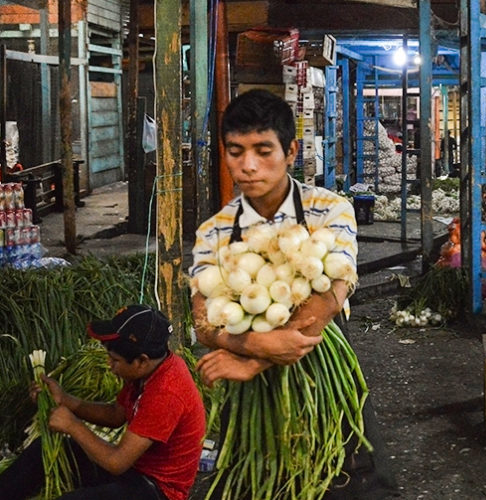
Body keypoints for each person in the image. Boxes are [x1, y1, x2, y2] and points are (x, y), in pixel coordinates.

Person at [189, 89, 395, 498]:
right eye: (236, 151)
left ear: (290, 151)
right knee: (259, 481)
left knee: (347, 481)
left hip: (322, 364)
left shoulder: (329, 208)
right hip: (248, 379)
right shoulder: (214, 230)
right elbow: (202, 322)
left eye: (263, 150)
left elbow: (328, 298)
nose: (247, 166)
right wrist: (258, 345)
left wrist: (253, 361)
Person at [0, 305, 206, 500]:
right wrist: (65, 399)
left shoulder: (166, 394)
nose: (109, 366)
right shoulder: (147, 371)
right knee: (42, 452)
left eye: (114, 360)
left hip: (157, 489)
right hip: (135, 469)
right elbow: (116, 415)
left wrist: (72, 426)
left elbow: (116, 463)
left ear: (142, 361)